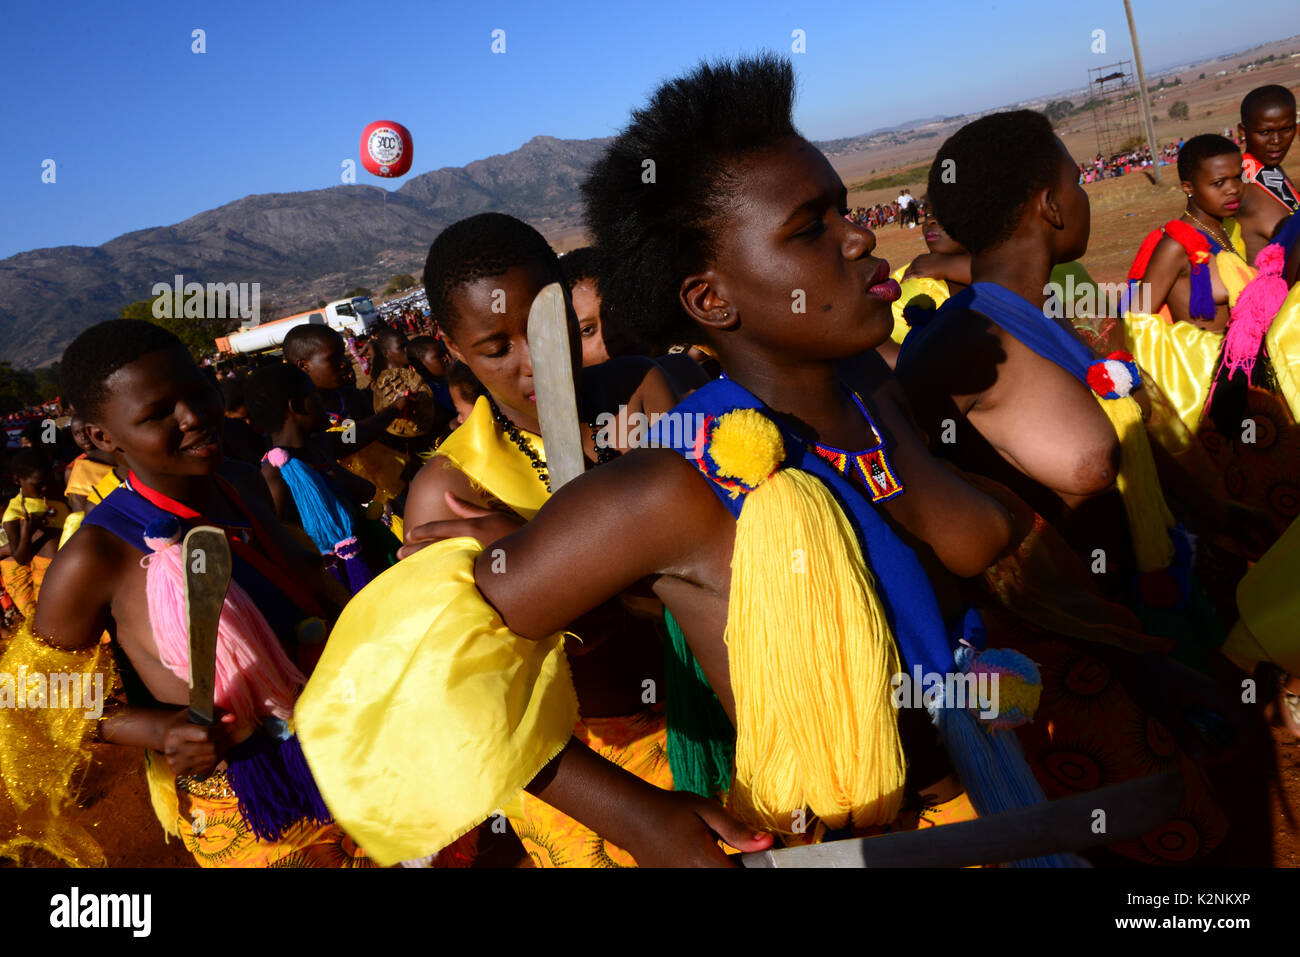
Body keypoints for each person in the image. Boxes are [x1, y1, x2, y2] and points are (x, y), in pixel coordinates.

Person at [295, 57, 1081, 870]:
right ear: (710, 300)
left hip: (988, 797)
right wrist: (639, 816)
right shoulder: (679, 475)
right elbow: (410, 684)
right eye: (810, 227)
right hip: (840, 847)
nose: (859, 235)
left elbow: (966, 535)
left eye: (844, 208)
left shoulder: (864, 384)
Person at [895, 112, 1261, 863]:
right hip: (1074, 672)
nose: (1082, 193)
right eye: (1071, 175)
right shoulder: (963, 345)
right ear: (1051, 204)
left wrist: (1227, 519)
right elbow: (974, 540)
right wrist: (1140, 661)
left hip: (1142, 638)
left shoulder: (1039, 319)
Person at [2, 320, 372, 868]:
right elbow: (33, 696)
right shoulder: (96, 553)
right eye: (157, 414)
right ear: (104, 438)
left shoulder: (244, 482)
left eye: (198, 392)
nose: (194, 417)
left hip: (353, 746)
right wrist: (157, 728)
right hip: (254, 807)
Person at [243, 363, 391, 595]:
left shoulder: (321, 445)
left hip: (374, 566)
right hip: (338, 588)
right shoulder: (275, 475)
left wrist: (393, 411)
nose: (323, 403)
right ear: (296, 406)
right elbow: (277, 546)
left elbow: (355, 436)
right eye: (315, 395)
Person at [282, 324, 411, 505]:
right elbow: (347, 440)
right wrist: (393, 410)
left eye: (342, 354)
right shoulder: (304, 416)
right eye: (333, 358)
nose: (344, 362)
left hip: (393, 484)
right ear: (304, 366)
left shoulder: (350, 396)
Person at [1, 448, 69, 619]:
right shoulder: (14, 513)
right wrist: (27, 532)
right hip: (29, 573)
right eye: (38, 484)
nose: (45, 487)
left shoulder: (56, 502)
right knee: (40, 619)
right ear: (18, 480)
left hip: (61, 568)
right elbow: (20, 558)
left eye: (48, 481)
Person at [1235, 85, 1300, 261]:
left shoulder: (1270, 170)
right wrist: (1149, 289)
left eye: (1286, 129)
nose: (1276, 141)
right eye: (1264, 132)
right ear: (1243, 132)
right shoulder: (1238, 183)